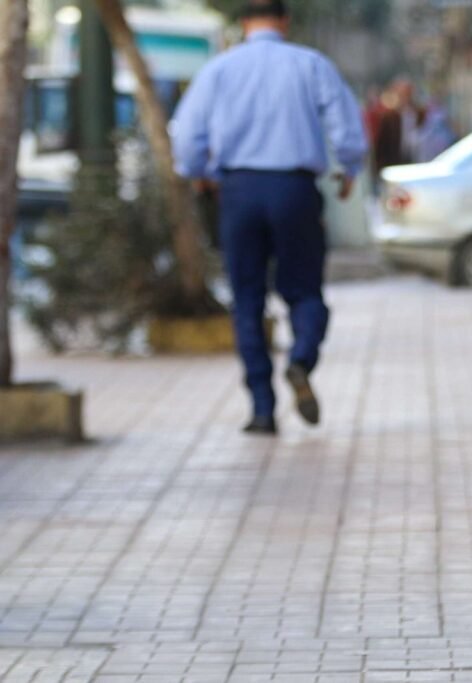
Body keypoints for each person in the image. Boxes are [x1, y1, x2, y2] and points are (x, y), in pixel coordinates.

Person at [170, 0, 368, 435]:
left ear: (243, 23)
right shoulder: (310, 64)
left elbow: (186, 137)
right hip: (295, 188)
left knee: (247, 299)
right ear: (284, 21)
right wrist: (349, 168)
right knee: (304, 289)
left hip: (239, 190)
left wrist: (200, 174)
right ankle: (301, 360)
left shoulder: (219, 70)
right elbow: (347, 126)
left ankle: (262, 409)